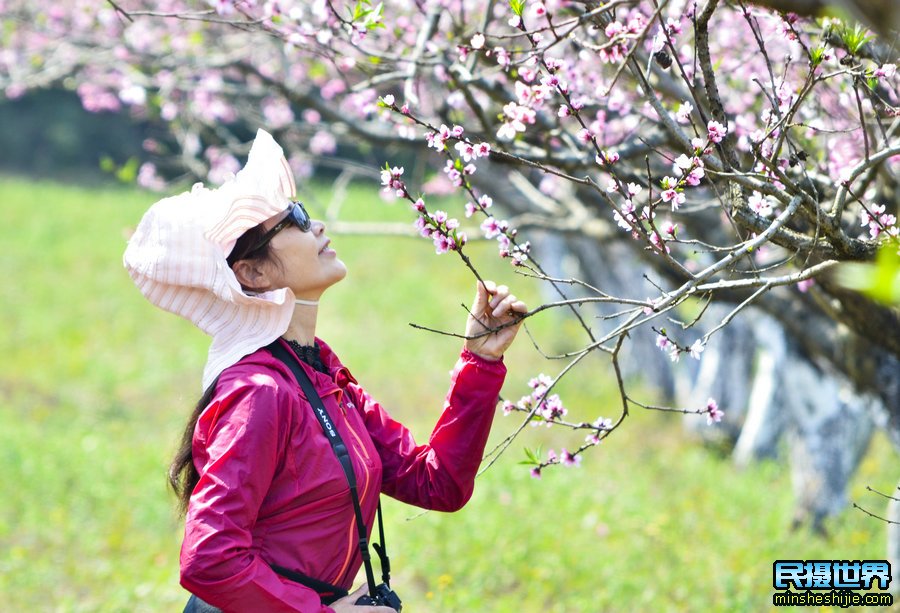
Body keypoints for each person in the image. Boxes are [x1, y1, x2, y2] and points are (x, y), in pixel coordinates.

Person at [123, 129, 527, 612]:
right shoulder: (258, 391)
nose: (313, 224)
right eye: (292, 219)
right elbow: (209, 558)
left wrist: (480, 362)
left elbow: (434, 482)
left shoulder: (319, 372)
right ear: (254, 274)